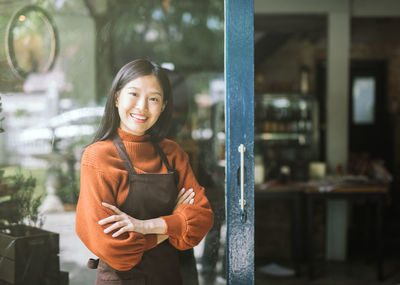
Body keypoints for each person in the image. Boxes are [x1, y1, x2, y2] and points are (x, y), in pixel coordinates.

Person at [75, 59, 214, 285]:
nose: (142, 107)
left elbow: (201, 219)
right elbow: (113, 248)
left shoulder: (173, 153)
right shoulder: (98, 156)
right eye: (134, 94)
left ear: (163, 106)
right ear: (117, 97)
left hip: (170, 278)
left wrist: (142, 226)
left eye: (153, 99)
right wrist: (173, 226)